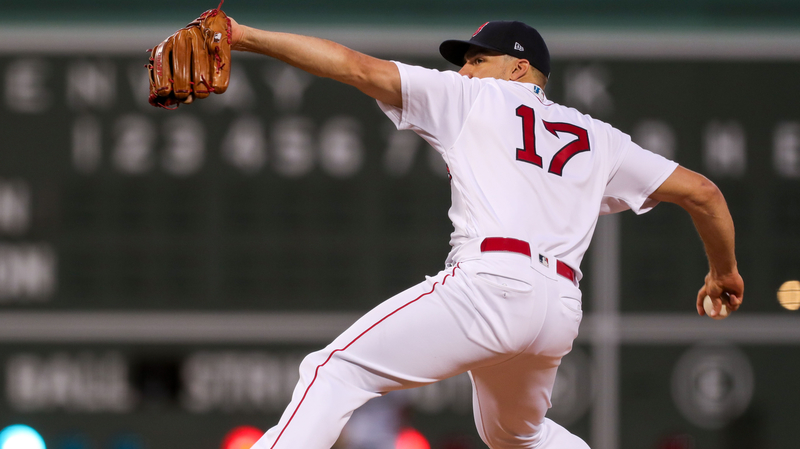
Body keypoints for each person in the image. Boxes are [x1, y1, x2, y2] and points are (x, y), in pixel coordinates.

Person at [226, 19, 744, 449]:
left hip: (491, 284)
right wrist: (724, 272)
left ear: (519, 69)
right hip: (559, 310)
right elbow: (703, 192)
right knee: (516, 436)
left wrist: (241, 35)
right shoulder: (600, 138)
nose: (464, 69)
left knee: (334, 371)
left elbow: (357, 68)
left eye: (478, 59)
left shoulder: (476, 98)